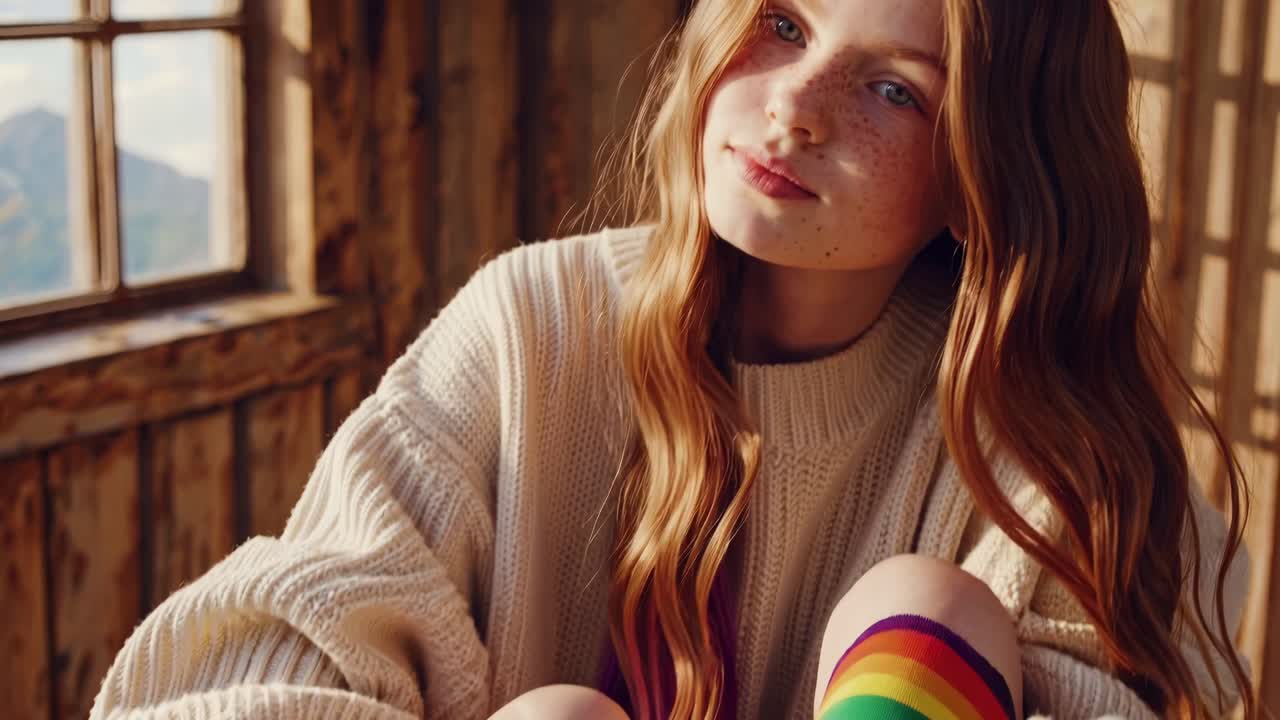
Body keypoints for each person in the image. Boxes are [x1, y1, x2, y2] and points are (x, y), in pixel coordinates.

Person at [90, 0, 1257, 718]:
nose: (794, 110)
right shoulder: (531, 325)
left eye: (893, 90)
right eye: (783, 25)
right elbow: (294, 632)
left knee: (930, 609)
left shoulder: (1038, 414)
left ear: (986, 172)